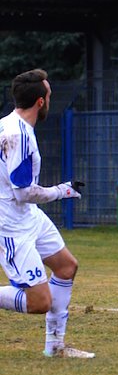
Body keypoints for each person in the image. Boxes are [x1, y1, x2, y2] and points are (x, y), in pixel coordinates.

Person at [0, 69, 92, 358]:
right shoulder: (19, 136)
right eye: (49, 95)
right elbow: (23, 192)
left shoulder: (8, 125)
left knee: (66, 267)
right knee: (40, 301)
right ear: (41, 102)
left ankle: (56, 347)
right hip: (11, 224)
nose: (50, 100)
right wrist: (60, 191)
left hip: (29, 216)